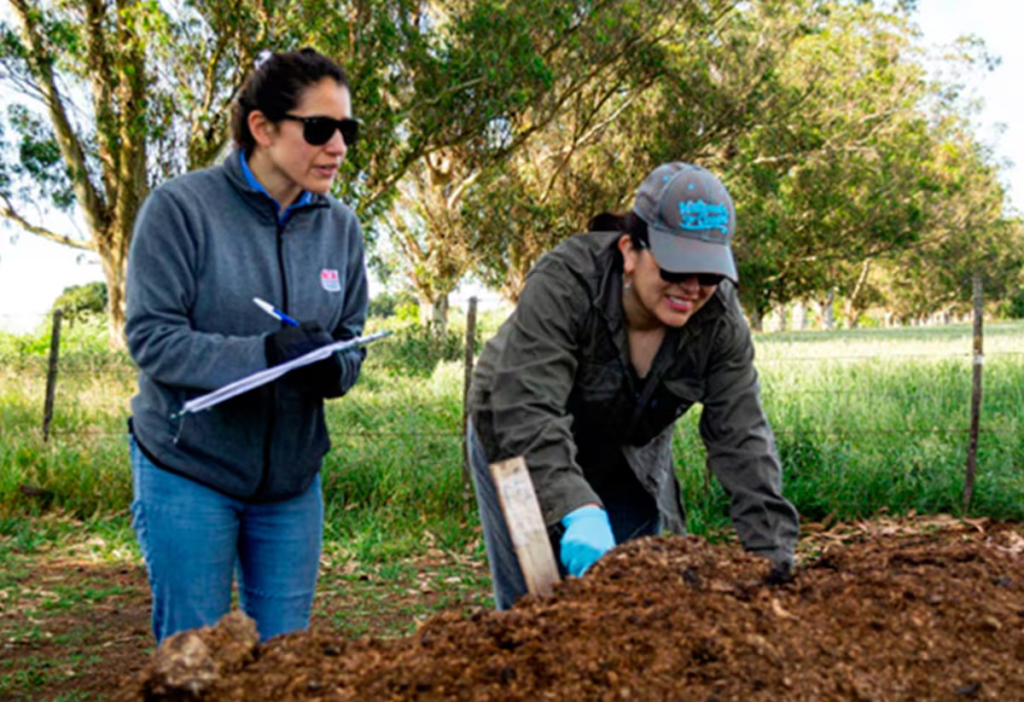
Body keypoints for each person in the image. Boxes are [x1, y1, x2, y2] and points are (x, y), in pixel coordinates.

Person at [467, 162, 800, 610]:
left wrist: (773, 561)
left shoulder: (719, 321)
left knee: (636, 601)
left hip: (628, 447)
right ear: (629, 250)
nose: (692, 288)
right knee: (536, 606)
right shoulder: (565, 283)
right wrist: (577, 510)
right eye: (676, 268)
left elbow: (743, 439)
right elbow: (527, 405)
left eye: (709, 274)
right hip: (518, 430)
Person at [124, 48, 368, 643]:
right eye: (320, 128)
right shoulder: (181, 210)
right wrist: (265, 355)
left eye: (348, 130)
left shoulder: (342, 228)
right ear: (262, 127)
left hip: (291, 484)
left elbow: (352, 340)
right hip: (188, 469)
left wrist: (332, 368)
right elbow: (153, 339)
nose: (338, 146)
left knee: (284, 660)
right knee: (195, 660)